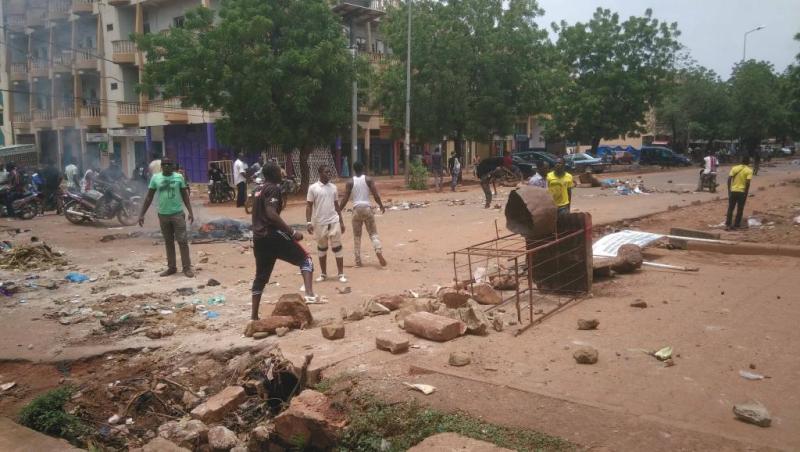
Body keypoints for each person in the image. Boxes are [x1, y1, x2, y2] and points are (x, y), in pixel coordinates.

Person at [251, 163, 318, 318]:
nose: (282, 173)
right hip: (272, 235)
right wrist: (292, 232)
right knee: (306, 260)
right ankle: (309, 293)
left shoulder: (258, 190)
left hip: (258, 238)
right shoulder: (273, 188)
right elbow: (271, 214)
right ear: (273, 174)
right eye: (279, 171)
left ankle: (254, 316)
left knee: (260, 278)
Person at [138, 157, 195, 278]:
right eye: (165, 164)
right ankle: (172, 267)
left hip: (178, 214)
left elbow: (185, 196)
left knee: (182, 241)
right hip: (163, 215)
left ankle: (186, 268)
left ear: (173, 165)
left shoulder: (179, 177)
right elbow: (149, 197)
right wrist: (142, 214)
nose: (168, 166)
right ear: (162, 166)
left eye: (170, 164)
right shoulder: (155, 178)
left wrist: (190, 211)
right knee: (168, 242)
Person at [340, 161, 387, 268]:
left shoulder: (350, 181)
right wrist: (381, 205)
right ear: (363, 168)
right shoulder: (368, 179)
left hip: (356, 210)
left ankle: (358, 261)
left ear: (353, 169)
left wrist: (338, 210)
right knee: (373, 233)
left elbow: (345, 198)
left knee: (357, 236)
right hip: (367, 209)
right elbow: (375, 194)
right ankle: (378, 251)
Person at [306, 165, 347, 283]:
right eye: (326, 172)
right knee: (322, 248)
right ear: (320, 173)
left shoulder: (333, 187)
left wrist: (341, 221)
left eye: (330, 172)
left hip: (333, 221)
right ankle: (323, 274)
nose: (329, 174)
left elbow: (336, 205)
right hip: (319, 223)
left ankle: (341, 274)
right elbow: (309, 205)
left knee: (337, 247)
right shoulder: (313, 188)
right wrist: (309, 222)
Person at [725, 155, 753, 230]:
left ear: (741, 161)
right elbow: (747, 183)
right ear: (748, 162)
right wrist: (746, 193)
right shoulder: (749, 170)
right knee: (740, 209)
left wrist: (729, 190)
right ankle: (736, 224)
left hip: (733, 191)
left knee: (730, 208)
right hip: (742, 192)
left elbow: (729, 179)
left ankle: (728, 224)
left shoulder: (734, 168)